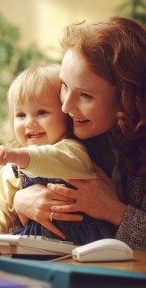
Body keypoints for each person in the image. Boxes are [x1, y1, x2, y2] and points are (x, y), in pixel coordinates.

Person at [13, 16, 146, 250]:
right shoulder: (69, 129)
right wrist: (20, 201)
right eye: (65, 85)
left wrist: (115, 211)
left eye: (85, 95)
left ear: (126, 98)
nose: (65, 107)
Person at [0, 63, 117, 244]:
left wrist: (19, 156)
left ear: (66, 116)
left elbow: (46, 158)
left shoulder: (74, 151)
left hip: (88, 245)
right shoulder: (12, 170)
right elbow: (0, 205)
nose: (29, 123)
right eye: (21, 115)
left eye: (41, 112)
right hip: (34, 246)